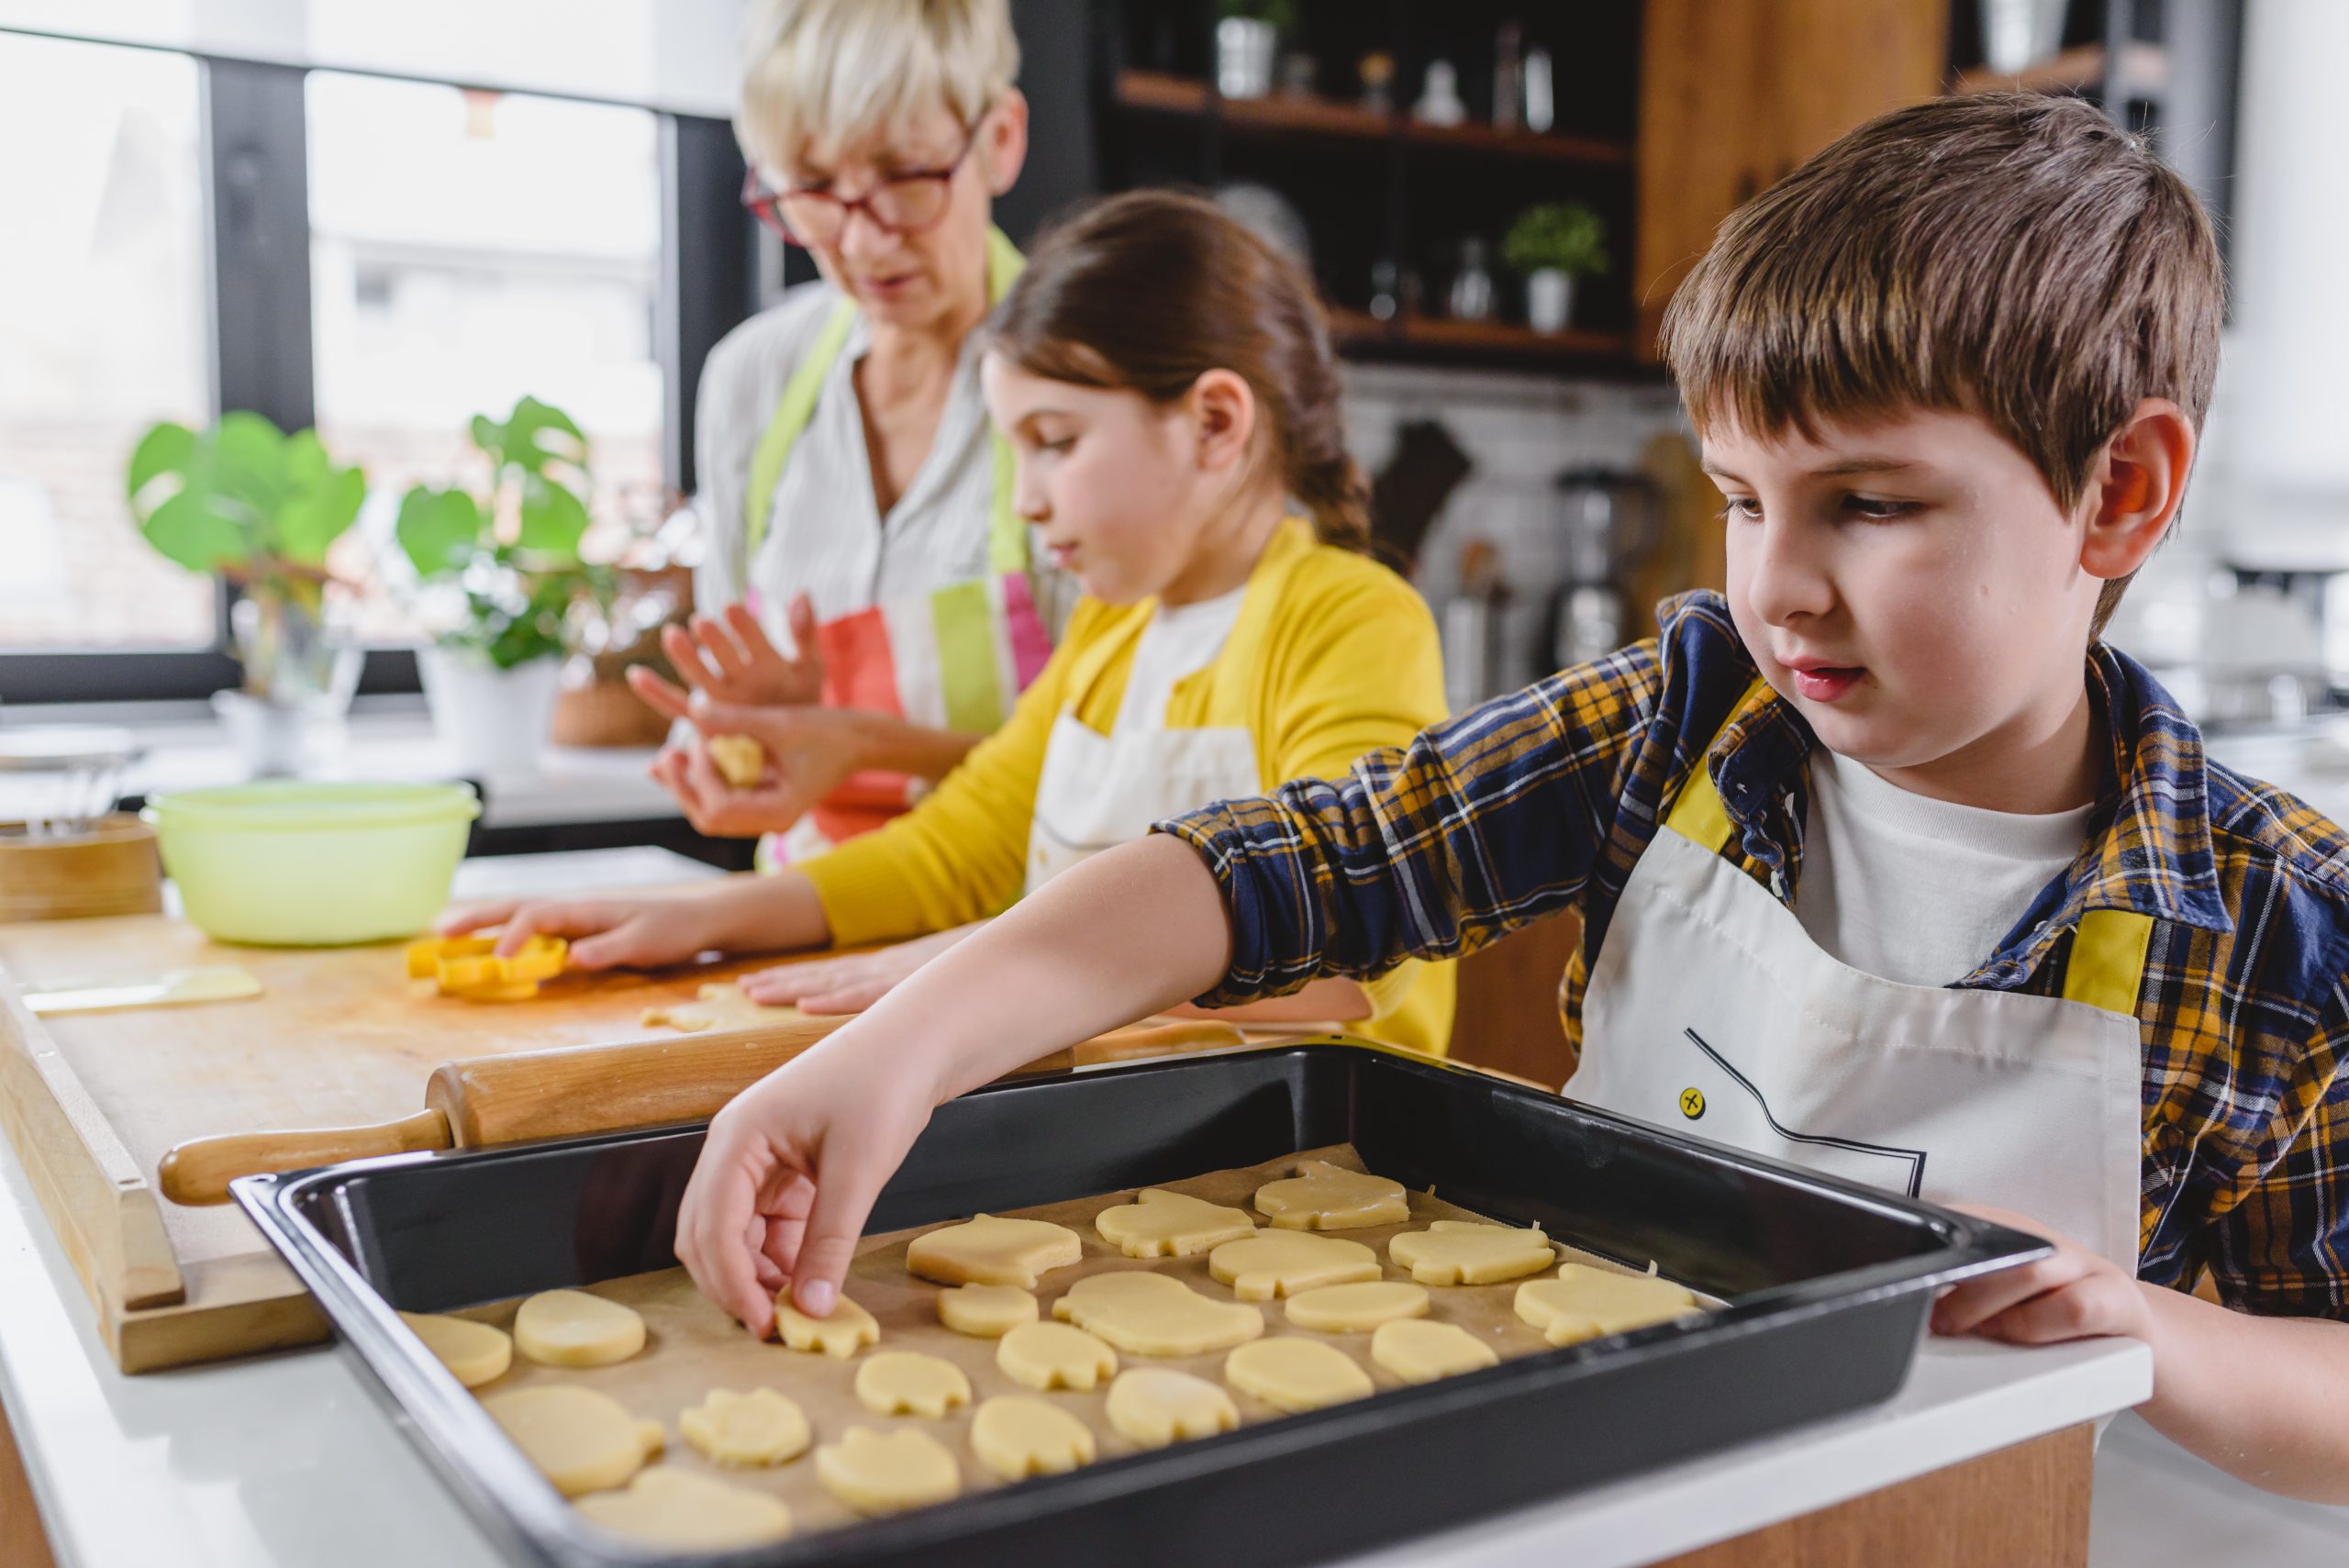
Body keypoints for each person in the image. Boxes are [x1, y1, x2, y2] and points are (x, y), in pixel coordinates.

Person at [669, 95, 2349, 1503]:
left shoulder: (2283, 921)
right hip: (1615, 1500)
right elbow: (1290, 867)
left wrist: (2157, 1330)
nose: (1783, 589)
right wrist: (900, 1048)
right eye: (1744, 499)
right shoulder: (1677, 726)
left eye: (1874, 504)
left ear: (2118, 491)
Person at [450, 190, 1453, 1052]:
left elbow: (1352, 941)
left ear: (1215, 423)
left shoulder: (1346, 617)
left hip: (1330, 1161)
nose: (1026, 499)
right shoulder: (1114, 631)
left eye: (1054, 441)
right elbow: (955, 850)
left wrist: (996, 966)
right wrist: (696, 916)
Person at [638, 0, 1075, 866]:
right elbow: (755, 730)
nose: (864, 241)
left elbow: (1132, 769)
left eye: (906, 175)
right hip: (802, 934)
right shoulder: (752, 380)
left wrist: (860, 745)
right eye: (812, 187)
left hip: (1022, 949)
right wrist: (745, 746)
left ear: (1000, 138)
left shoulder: (1090, 380)